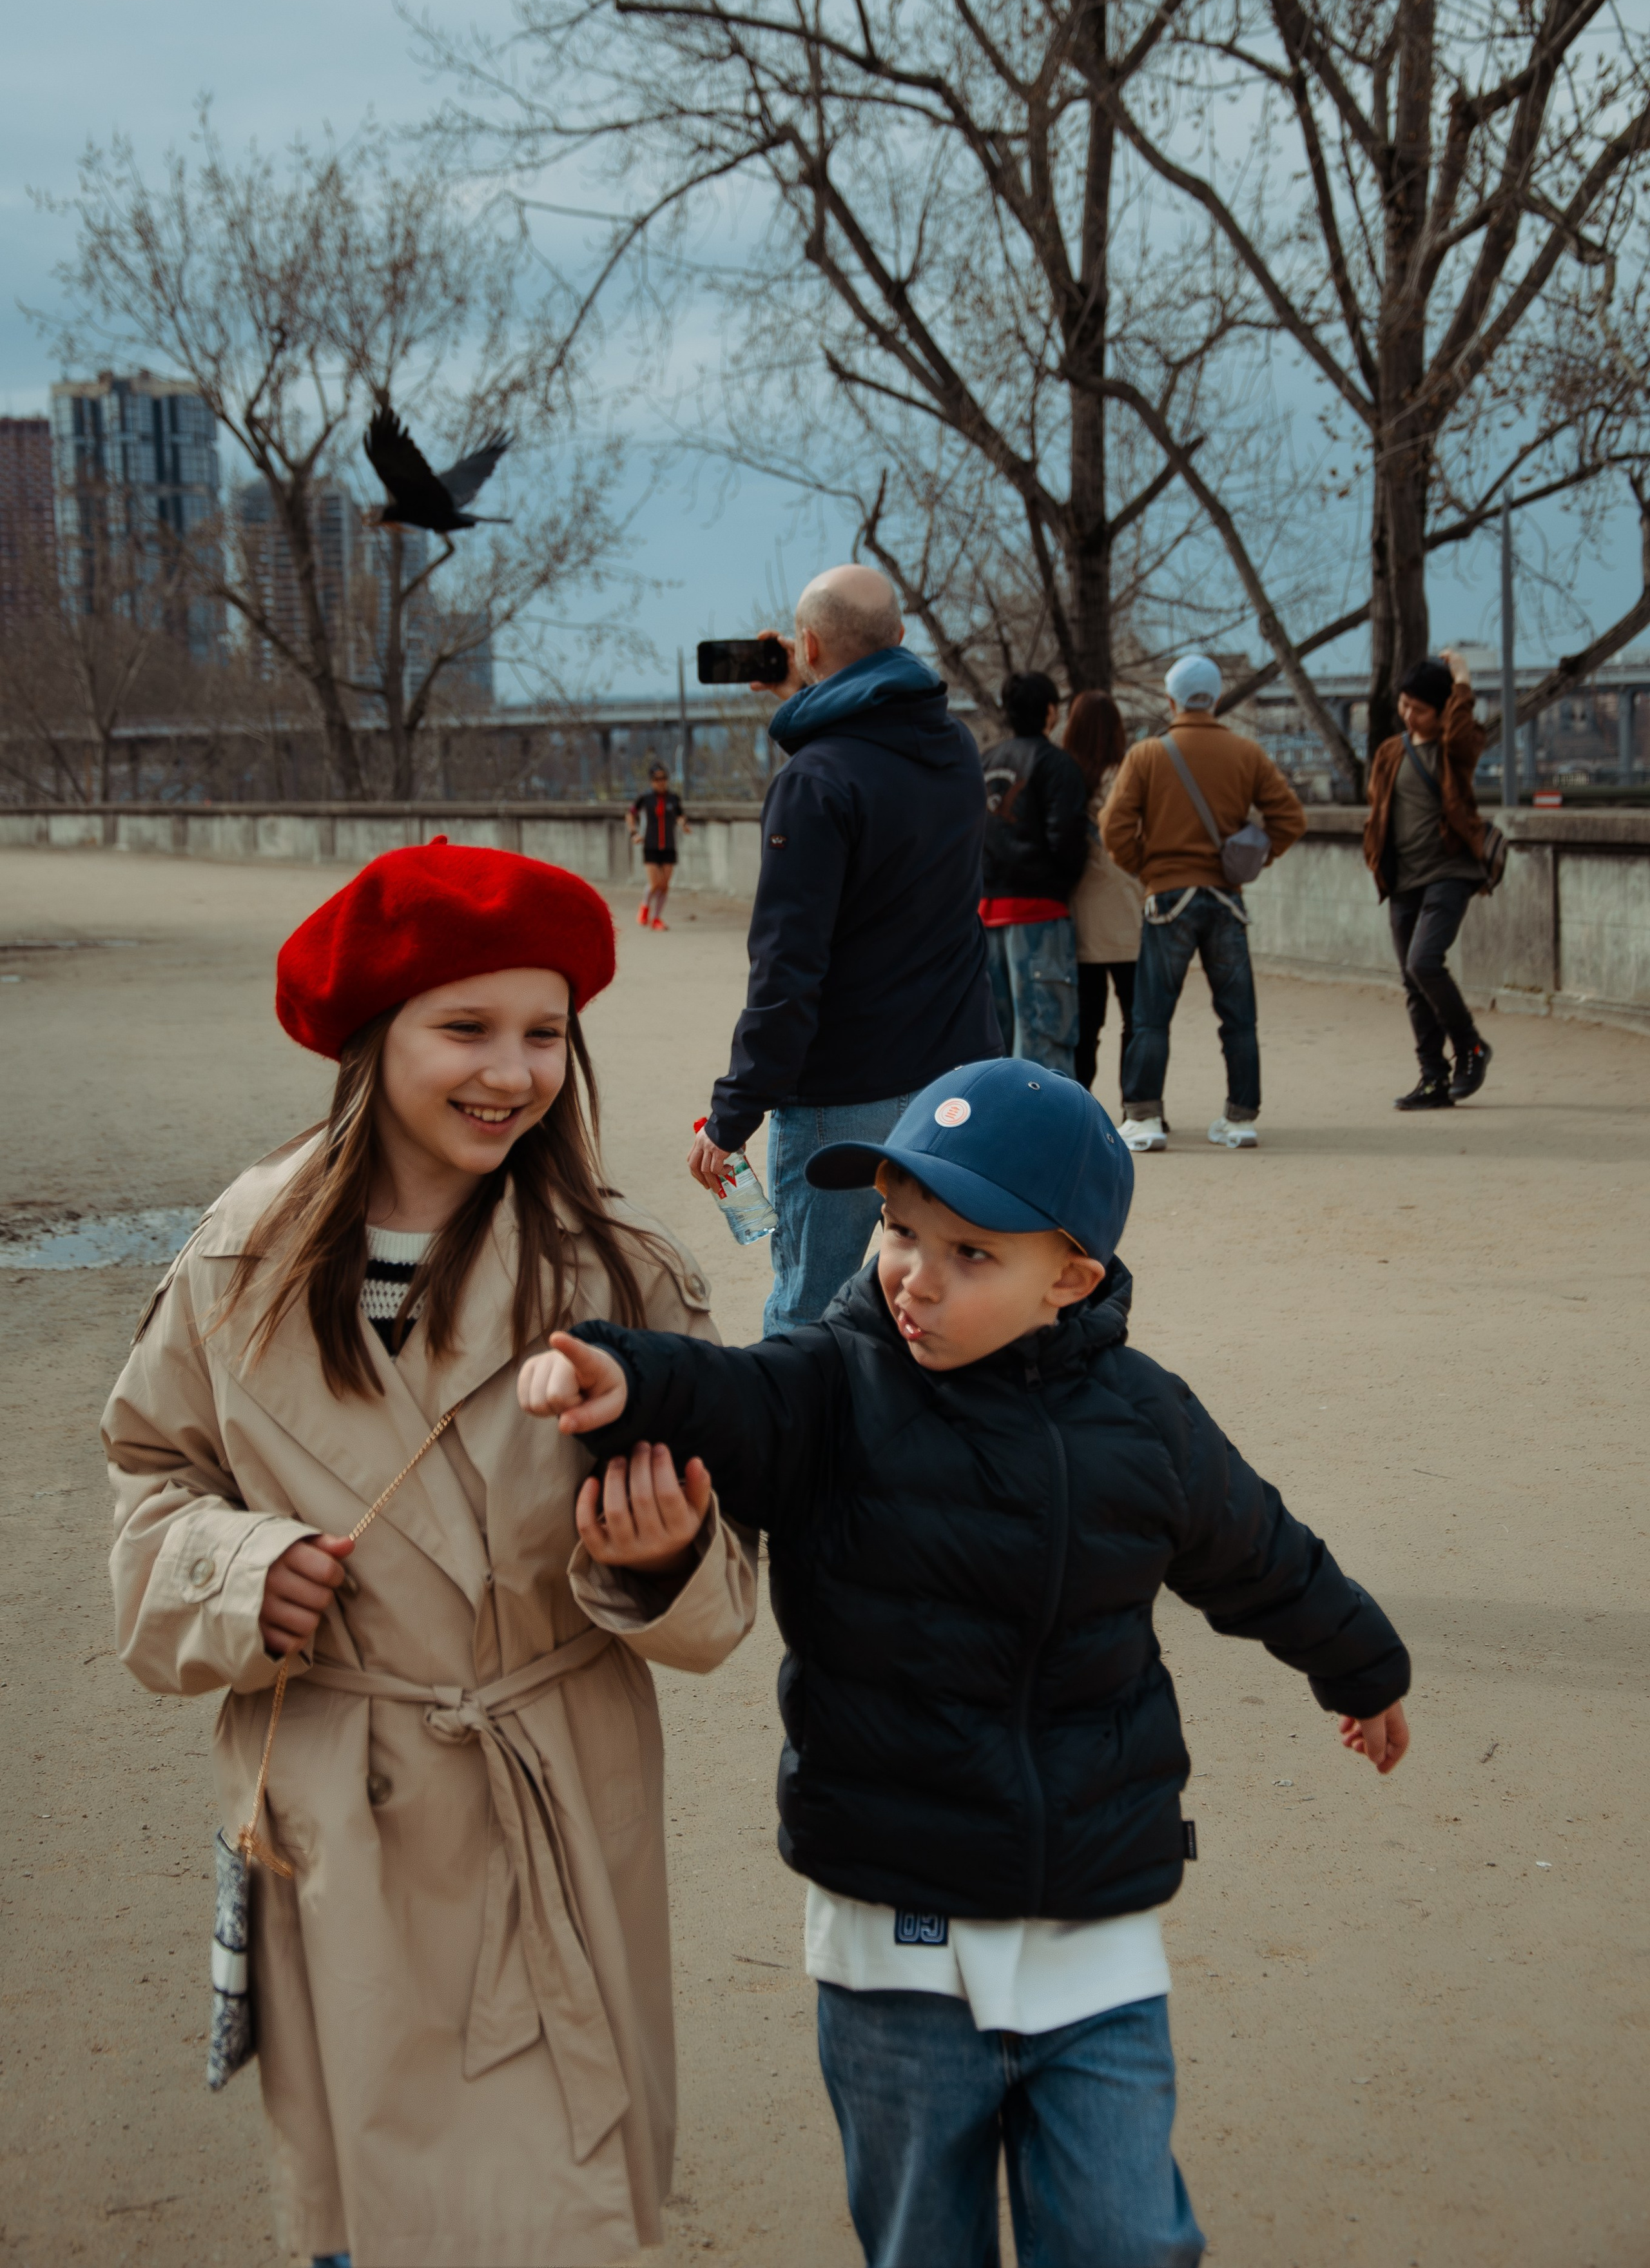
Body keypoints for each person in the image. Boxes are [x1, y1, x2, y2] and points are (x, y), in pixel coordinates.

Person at [521, 1058, 1412, 2268]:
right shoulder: (832, 1387)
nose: (911, 1279)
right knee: (918, 2245)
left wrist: (1364, 1671)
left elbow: (1264, 1556)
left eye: (969, 1254)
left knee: (1125, 2240)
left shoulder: (1147, 1424)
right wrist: (625, 1379)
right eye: (896, 1230)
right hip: (895, 1931)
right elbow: (730, 1396)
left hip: (1092, 1926)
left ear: (1073, 1276)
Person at [101, 839, 757, 2268]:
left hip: (556, 1793)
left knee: (544, 2212)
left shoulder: (620, 1272)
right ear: (368, 1037)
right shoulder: (239, 1257)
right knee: (371, 2213)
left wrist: (662, 1557)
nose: (511, 1071)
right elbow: (154, 1475)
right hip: (341, 1801)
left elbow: (725, 1584)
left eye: (542, 1032)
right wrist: (233, 1567)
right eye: (464, 1027)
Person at [686, 564, 999, 1335]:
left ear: (808, 643)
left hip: (843, 1093)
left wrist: (734, 1114)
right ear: (898, 639)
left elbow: (788, 969)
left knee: (810, 1309)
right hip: (952, 1075)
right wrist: (815, 684)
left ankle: (795, 1456)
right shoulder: (955, 750)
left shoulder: (815, 782)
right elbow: (880, 737)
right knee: (934, 1299)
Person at [1102, 652, 1305, 1153]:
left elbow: (1113, 828)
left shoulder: (1148, 755)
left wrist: (1148, 869)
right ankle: (1240, 1118)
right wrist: (1250, 860)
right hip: (1226, 899)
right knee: (1238, 1016)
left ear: (1171, 699)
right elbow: (1290, 819)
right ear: (1214, 698)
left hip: (1168, 896)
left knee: (1151, 1015)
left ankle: (1144, 1116)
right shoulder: (1246, 753)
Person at [1362, 649, 1493, 1110]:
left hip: (1449, 872)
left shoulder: (1457, 748)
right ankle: (1434, 1078)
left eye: (1420, 708)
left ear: (1442, 710)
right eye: (1404, 705)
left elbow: (1460, 733)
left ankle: (1471, 1046)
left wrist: (1461, 679)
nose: (1409, 715)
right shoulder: (1390, 752)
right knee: (1413, 982)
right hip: (1403, 879)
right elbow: (1378, 809)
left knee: (1424, 961)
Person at [978, 671, 1091, 1075]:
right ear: (1050, 712)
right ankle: (1051, 1134)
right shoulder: (1058, 765)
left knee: (991, 1048)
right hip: (1040, 914)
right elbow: (1067, 839)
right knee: (1046, 1041)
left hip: (984, 915)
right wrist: (1062, 882)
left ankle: (996, 1134)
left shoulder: (984, 762)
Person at [1063, 687, 1143, 1095]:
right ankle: (1138, 1105)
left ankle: (1080, 1106)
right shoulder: (1129, 774)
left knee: (1085, 1024)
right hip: (1129, 908)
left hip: (1078, 913)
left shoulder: (1065, 775)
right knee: (1137, 1018)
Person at [628, 758, 690, 930]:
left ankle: (657, 918)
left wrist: (683, 824)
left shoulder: (673, 798)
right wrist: (634, 833)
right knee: (655, 883)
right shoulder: (645, 799)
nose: (661, 782)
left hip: (669, 845)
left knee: (665, 885)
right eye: (657, 779)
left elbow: (680, 815)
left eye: (663, 778)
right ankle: (645, 906)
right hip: (651, 845)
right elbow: (630, 814)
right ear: (651, 781)